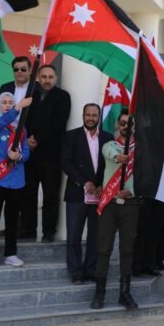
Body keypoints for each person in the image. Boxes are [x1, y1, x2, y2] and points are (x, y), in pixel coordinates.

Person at [91, 109, 142, 310]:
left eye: (129, 124)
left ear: (134, 127)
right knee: (103, 248)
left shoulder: (141, 150)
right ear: (117, 126)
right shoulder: (110, 146)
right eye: (122, 124)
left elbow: (146, 178)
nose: (125, 127)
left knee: (127, 249)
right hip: (110, 204)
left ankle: (125, 292)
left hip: (130, 205)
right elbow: (109, 154)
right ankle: (99, 292)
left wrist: (131, 191)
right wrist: (121, 157)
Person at [61, 103, 113, 284]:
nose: (91, 118)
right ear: (83, 116)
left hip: (99, 195)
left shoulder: (108, 138)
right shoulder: (71, 136)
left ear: (99, 117)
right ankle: (75, 272)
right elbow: (66, 163)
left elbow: (110, 167)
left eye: (94, 115)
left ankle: (91, 269)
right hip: (77, 193)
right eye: (88, 115)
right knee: (74, 235)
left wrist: (103, 185)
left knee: (95, 235)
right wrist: (84, 182)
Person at [0, 93, 32, 268]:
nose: (8, 105)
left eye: (11, 102)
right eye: (5, 102)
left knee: (12, 219)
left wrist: (19, 156)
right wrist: (18, 108)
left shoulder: (21, 129)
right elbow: (2, 121)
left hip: (16, 179)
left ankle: (10, 253)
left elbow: (26, 152)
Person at [21, 64, 71, 242]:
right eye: (44, 77)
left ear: (55, 79)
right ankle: (27, 230)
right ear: (38, 78)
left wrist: (37, 139)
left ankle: (49, 232)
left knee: (50, 196)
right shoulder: (31, 95)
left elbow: (58, 123)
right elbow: (24, 119)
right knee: (28, 194)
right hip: (29, 154)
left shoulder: (63, 97)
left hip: (51, 155)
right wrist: (26, 140)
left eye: (50, 77)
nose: (47, 80)